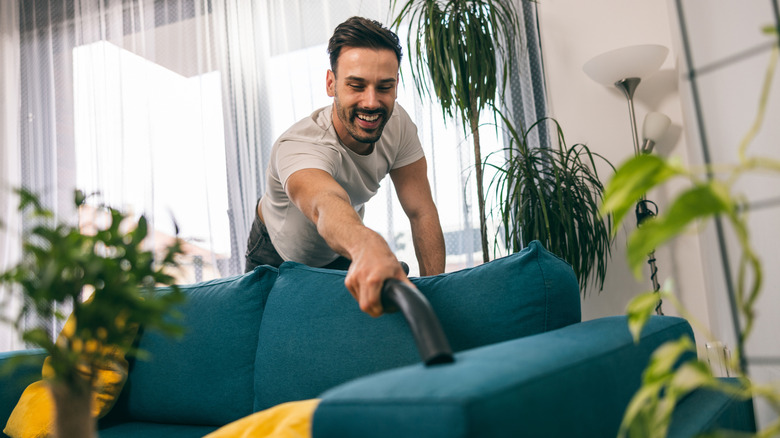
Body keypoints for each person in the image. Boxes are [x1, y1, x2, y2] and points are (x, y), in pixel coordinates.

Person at [245, 16, 445, 317]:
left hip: (341, 250)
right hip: (274, 252)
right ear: (331, 83)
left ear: (396, 86)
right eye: (356, 86)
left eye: (384, 87)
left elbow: (421, 211)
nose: (371, 102)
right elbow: (326, 204)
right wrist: (366, 244)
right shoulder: (299, 145)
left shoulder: (398, 125)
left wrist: (435, 296)